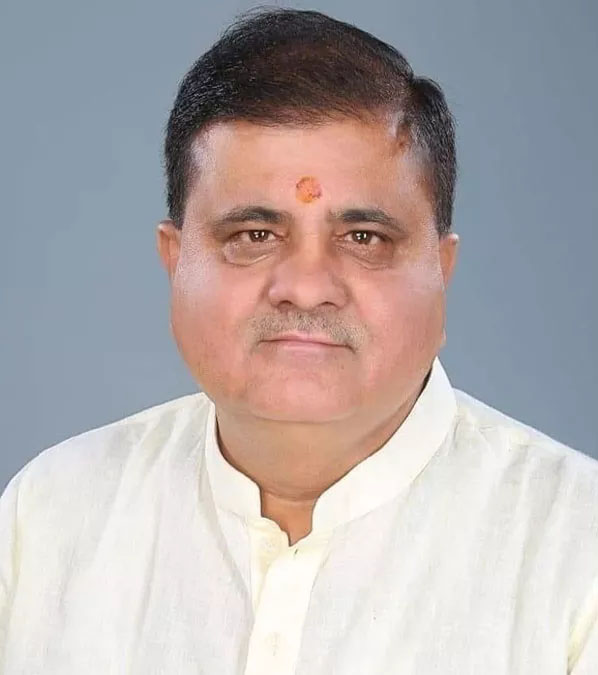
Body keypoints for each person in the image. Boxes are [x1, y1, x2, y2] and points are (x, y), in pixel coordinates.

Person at [0, 7, 596, 674]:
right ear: (174, 259)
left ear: (442, 268)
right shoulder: (52, 516)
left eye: (364, 238)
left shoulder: (575, 549)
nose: (307, 288)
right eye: (254, 235)